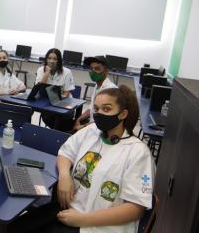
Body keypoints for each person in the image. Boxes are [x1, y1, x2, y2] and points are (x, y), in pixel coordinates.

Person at [9, 86, 155, 233]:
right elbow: (65, 153)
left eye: (107, 109)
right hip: (69, 209)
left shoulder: (138, 152)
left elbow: (135, 209)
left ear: (123, 114)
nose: (99, 114)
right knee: (14, 227)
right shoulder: (91, 131)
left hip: (98, 226)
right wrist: (65, 175)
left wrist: (82, 220)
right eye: (96, 109)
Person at [36, 48, 75, 131]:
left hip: (63, 103)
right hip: (46, 104)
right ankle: (58, 133)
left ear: (59, 61)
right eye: (49, 58)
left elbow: (66, 93)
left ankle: (59, 133)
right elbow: (39, 89)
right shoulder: (40, 70)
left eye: (55, 59)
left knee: (59, 118)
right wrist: (46, 73)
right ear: (46, 59)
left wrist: (56, 102)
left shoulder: (67, 72)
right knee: (46, 117)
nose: (51, 61)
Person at [74, 56, 117, 131]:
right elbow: (91, 108)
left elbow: (105, 119)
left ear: (106, 71)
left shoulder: (111, 91)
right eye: (91, 68)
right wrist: (79, 119)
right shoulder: (97, 86)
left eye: (97, 69)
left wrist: (84, 127)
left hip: (101, 129)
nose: (93, 71)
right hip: (92, 124)